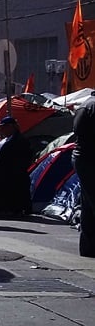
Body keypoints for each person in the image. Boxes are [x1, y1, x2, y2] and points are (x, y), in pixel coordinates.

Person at [0, 116, 32, 215]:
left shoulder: (20, 140)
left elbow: (23, 158)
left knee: (13, 193)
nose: (1, 129)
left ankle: (13, 209)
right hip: (1, 172)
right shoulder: (4, 140)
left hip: (12, 173)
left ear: (11, 127)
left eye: (4, 127)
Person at [73, 92, 95, 256]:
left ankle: (88, 247)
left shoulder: (86, 104)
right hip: (90, 158)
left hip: (82, 156)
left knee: (88, 204)